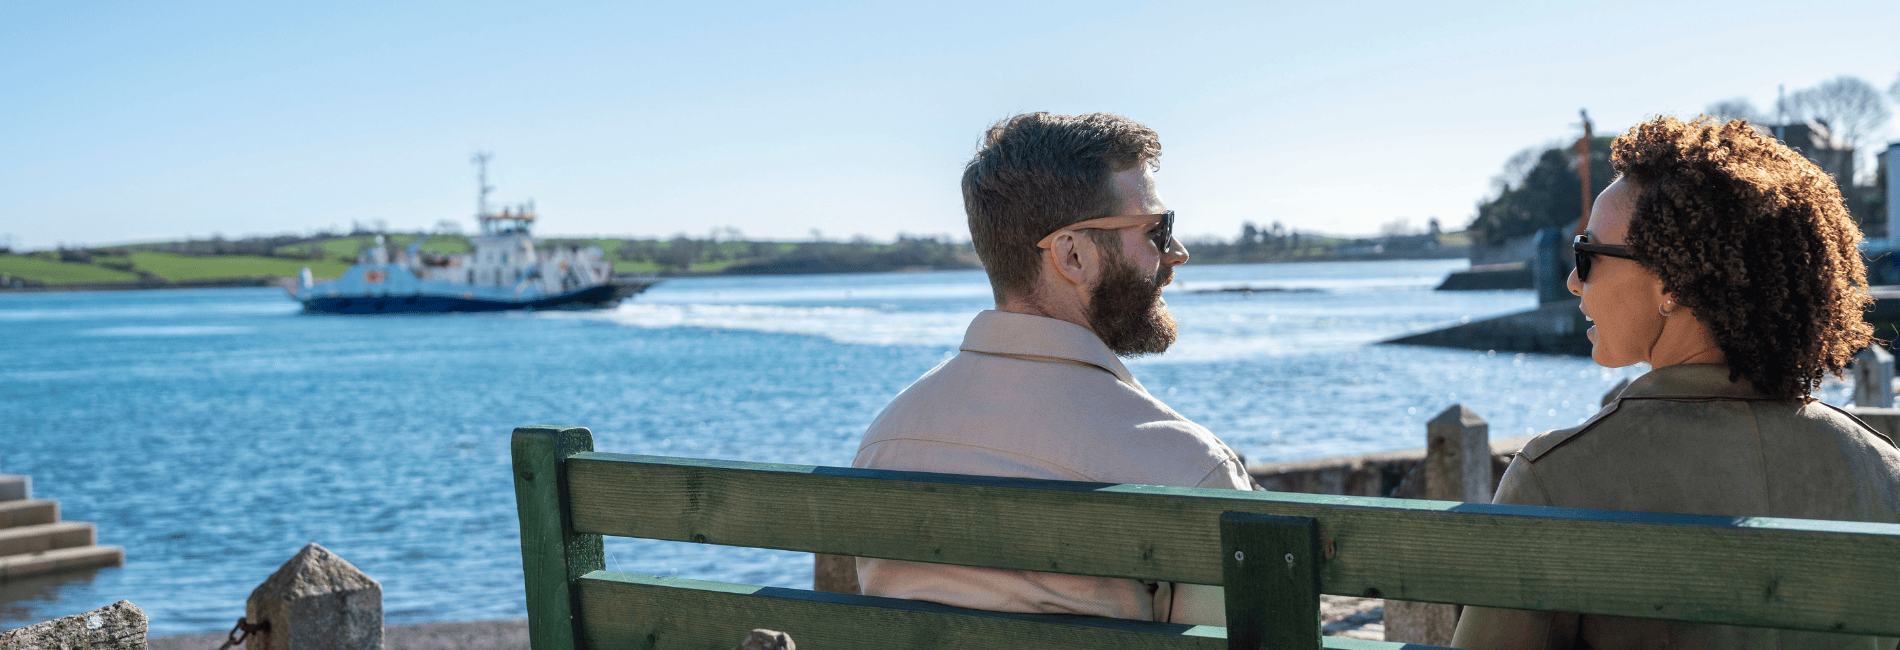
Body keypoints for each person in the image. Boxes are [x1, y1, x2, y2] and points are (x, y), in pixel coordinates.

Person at [1450, 116, 1900, 649]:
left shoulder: (1555, 481)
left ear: (1670, 282)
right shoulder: (1882, 470)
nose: (1573, 279)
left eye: (1588, 255)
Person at [851, 112, 1253, 626]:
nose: (1177, 253)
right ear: (1073, 256)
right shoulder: (1185, 470)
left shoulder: (886, 442)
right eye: (1157, 229)